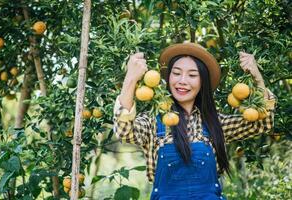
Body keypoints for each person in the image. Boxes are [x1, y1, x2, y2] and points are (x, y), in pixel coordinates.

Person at [113, 43, 276, 199]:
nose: (182, 80)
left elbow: (262, 123)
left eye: (192, 75)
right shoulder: (153, 122)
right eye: (176, 73)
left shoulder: (215, 123)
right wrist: (131, 79)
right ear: (168, 77)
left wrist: (257, 78)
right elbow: (124, 131)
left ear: (202, 81)